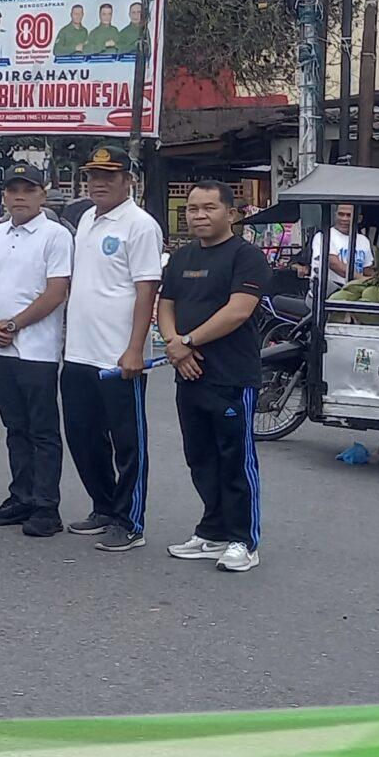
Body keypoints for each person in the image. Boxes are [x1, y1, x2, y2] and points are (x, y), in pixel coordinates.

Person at [156, 179, 271, 573]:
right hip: (188, 374)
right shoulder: (181, 258)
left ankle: (244, 540)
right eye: (193, 209)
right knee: (200, 458)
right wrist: (174, 343)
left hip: (231, 376)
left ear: (231, 213)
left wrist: (187, 341)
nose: (199, 216)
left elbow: (238, 311)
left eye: (209, 208)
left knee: (235, 460)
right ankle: (213, 532)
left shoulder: (247, 257)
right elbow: (166, 305)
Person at [59, 145, 163, 553]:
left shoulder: (140, 225)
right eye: (93, 176)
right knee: (83, 436)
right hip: (79, 351)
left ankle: (129, 521)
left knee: (128, 443)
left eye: (109, 176)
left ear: (128, 181)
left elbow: (146, 290)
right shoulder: (86, 218)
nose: (99, 183)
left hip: (118, 356)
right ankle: (103, 506)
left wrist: (135, 348)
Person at [0, 164, 73, 538]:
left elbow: (56, 292)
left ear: (42, 195)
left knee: (42, 430)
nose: (19, 197)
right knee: (15, 428)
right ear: (3, 195)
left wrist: (15, 324)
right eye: (13, 190)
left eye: (28, 190)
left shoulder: (55, 235)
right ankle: (21, 496)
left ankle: (46, 506)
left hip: (37, 349)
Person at [297, 203, 374, 291]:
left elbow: (366, 269)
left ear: (359, 218)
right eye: (341, 214)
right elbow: (333, 264)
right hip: (328, 292)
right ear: (335, 215)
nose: (344, 219)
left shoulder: (364, 240)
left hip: (356, 291)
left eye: (349, 215)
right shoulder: (323, 236)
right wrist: (362, 279)